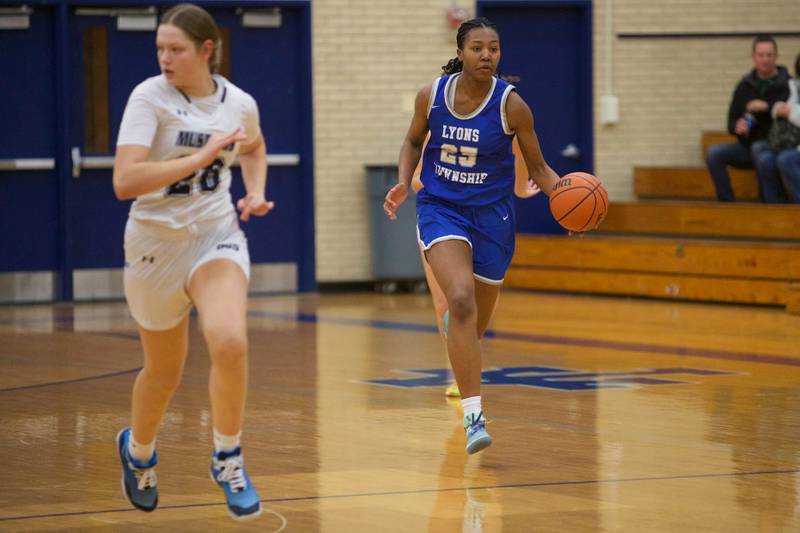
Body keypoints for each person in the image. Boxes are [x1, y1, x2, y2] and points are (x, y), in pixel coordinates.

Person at [112, 3, 272, 520]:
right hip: (154, 244)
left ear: (207, 50)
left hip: (214, 235)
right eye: (160, 47)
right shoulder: (148, 98)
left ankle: (228, 456)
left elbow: (255, 146)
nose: (164, 57)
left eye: (175, 48)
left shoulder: (239, 103)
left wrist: (255, 191)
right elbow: (124, 182)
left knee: (229, 339)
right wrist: (199, 158)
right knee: (164, 372)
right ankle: (138, 452)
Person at [384, 17, 559, 454]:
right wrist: (405, 181)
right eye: (478, 48)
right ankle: (474, 414)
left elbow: (538, 168)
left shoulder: (513, 106)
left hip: (492, 219)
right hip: (442, 209)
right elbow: (411, 141)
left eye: (494, 48)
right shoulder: (432, 96)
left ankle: (460, 331)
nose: (487, 55)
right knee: (458, 297)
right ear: (461, 52)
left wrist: (567, 201)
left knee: (473, 323)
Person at [411, 135, 540, 399]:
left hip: (486, 221)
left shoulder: (502, 115)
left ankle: (467, 362)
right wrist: (448, 187)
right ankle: (459, 376)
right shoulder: (437, 124)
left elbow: (520, 149)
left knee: (476, 303)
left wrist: (520, 188)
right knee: (446, 303)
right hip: (441, 219)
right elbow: (415, 180)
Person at [706, 35, 790, 203]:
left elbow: (791, 113)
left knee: (759, 149)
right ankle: (728, 204)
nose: (765, 60)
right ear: (753, 57)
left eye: (769, 55)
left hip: (776, 145)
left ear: (776, 57)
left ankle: (766, 204)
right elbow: (730, 122)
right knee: (714, 153)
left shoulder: (788, 84)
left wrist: (766, 106)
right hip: (747, 145)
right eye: (761, 55)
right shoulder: (744, 86)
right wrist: (737, 126)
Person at [775, 53, 800, 203]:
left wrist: (791, 111)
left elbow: (789, 110)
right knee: (766, 157)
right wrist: (779, 108)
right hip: (792, 141)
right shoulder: (794, 84)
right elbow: (780, 106)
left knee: (786, 159)